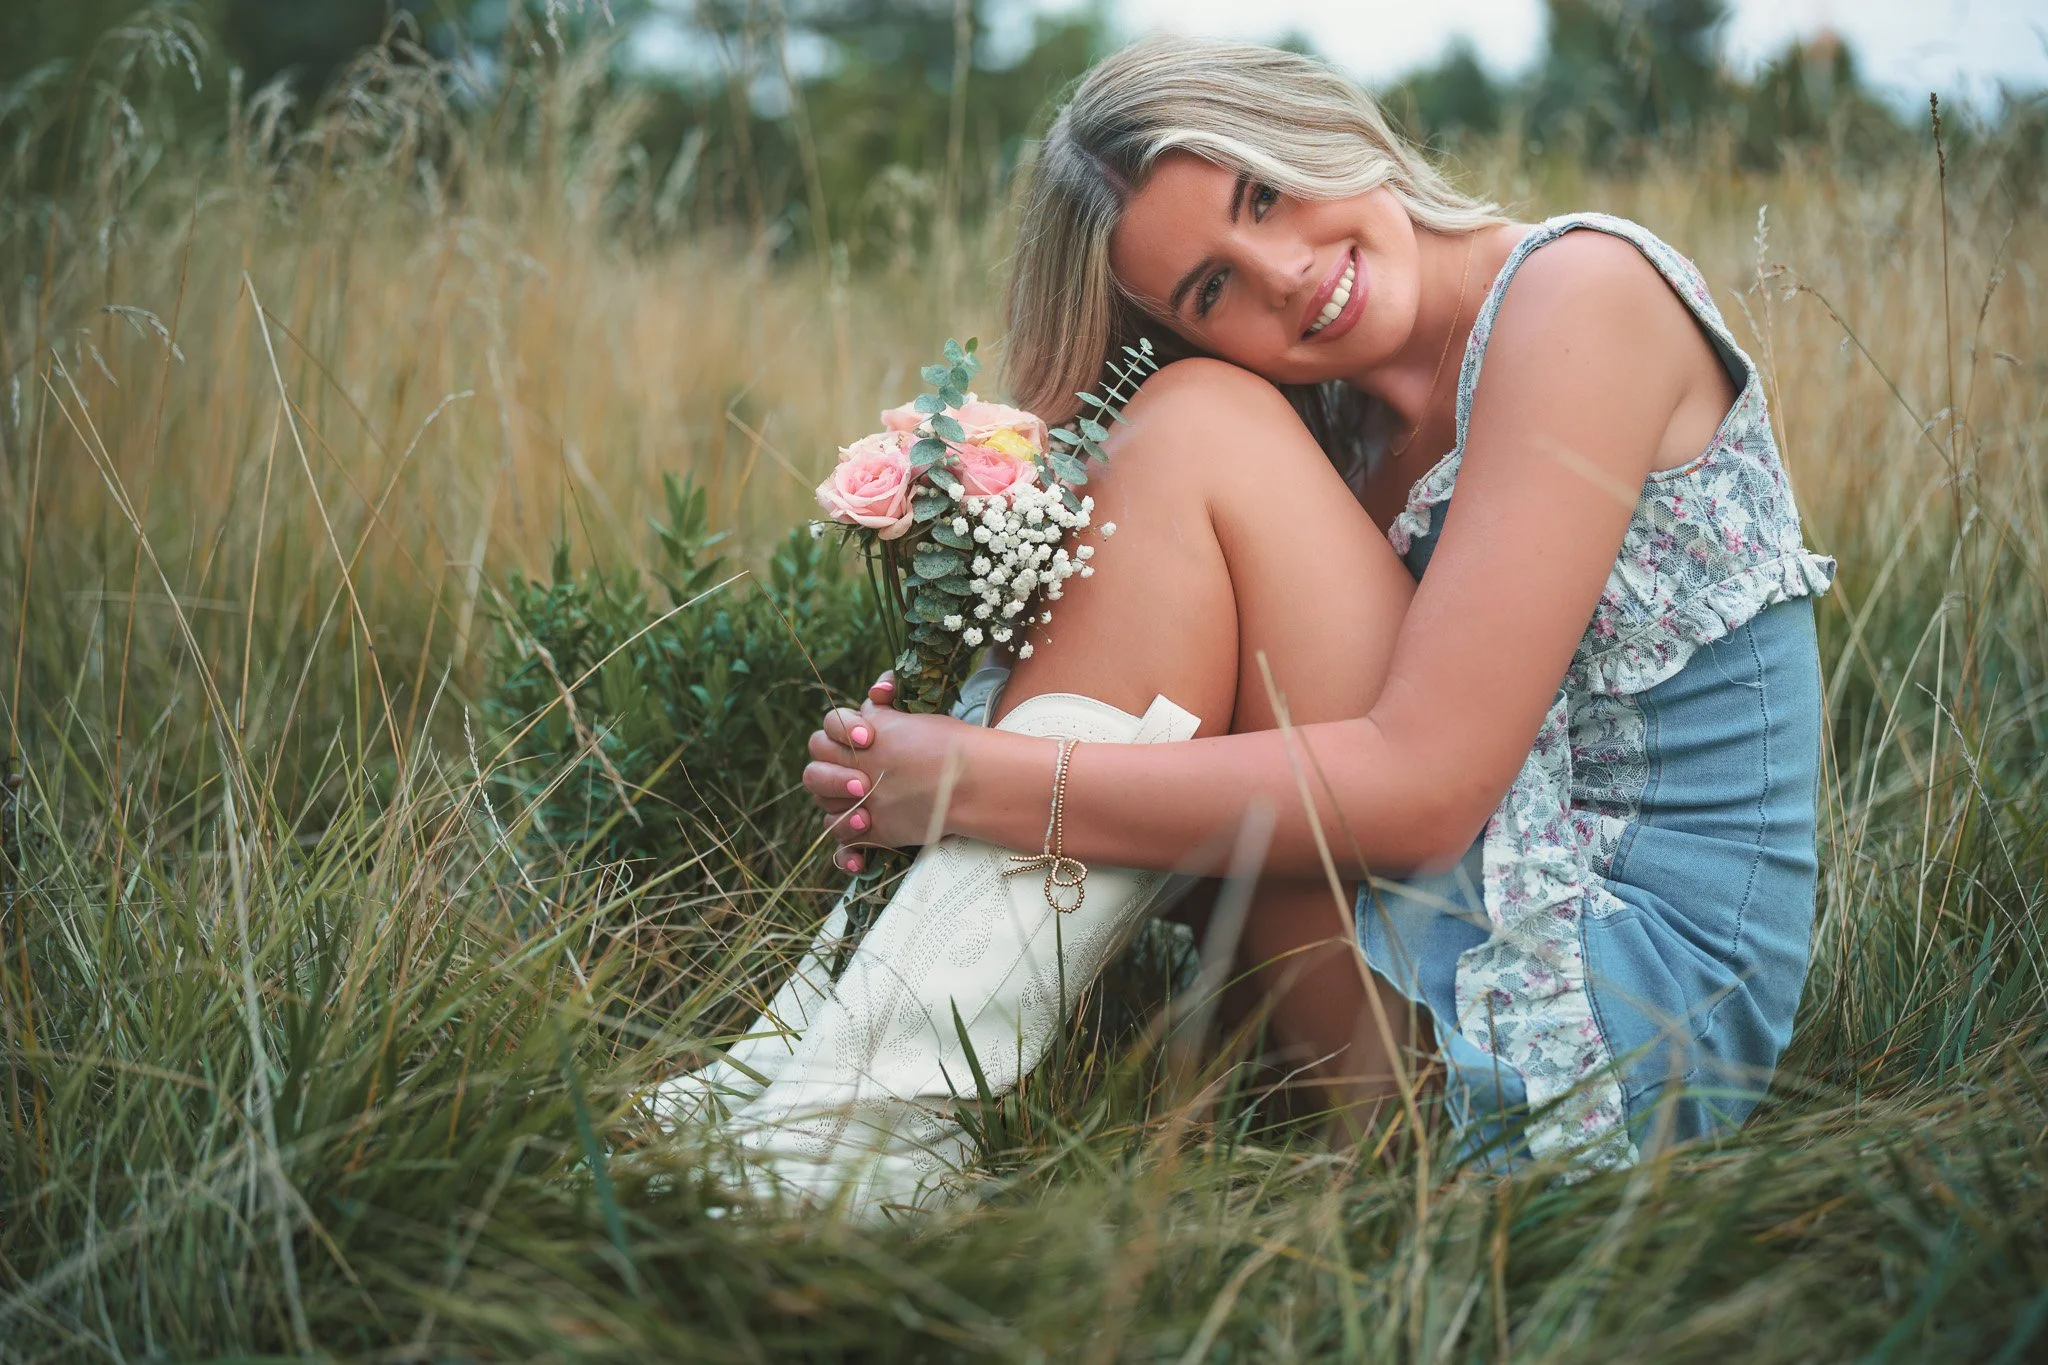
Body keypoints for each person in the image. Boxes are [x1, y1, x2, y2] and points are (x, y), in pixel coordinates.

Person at [673, 34, 1833, 1214]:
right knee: (1168, 443)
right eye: (1211, 290)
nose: (1283, 274)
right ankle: (821, 1089)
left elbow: (1426, 787)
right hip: (1411, 985)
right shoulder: (1322, 425)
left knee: (1189, 428)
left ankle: (863, 1125)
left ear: (1310, 121)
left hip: (1614, 1042)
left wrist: (976, 777)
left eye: (1263, 193)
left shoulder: (1581, 295)